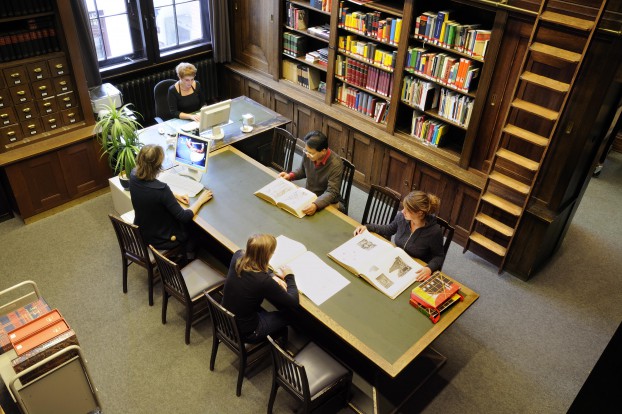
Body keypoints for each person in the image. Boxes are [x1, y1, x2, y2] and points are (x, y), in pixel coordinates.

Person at [129, 144, 212, 253]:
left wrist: (174, 195)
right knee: (194, 228)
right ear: (158, 166)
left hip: (143, 231)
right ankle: (189, 254)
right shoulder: (162, 190)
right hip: (163, 240)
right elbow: (184, 217)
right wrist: (200, 200)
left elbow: (151, 193)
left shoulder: (133, 175)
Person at [221, 234, 299, 344]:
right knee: (290, 315)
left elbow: (255, 266)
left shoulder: (238, 255)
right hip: (248, 331)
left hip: (226, 317)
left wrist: (272, 275)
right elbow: (293, 302)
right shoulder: (262, 281)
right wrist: (289, 276)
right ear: (267, 255)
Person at [354, 191, 445, 281]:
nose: (402, 211)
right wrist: (368, 227)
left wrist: (429, 268)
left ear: (420, 213)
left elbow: (439, 256)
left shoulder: (434, 232)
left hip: (416, 270)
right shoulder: (402, 217)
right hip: (396, 260)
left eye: (407, 210)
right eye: (403, 207)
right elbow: (389, 229)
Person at [278, 130, 343, 216]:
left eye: (311, 153)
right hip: (309, 195)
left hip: (327, 201)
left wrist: (316, 204)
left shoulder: (336, 164)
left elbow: (332, 192)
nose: (307, 155)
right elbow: (303, 170)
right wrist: (290, 176)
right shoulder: (308, 152)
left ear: (323, 151)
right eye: (306, 151)